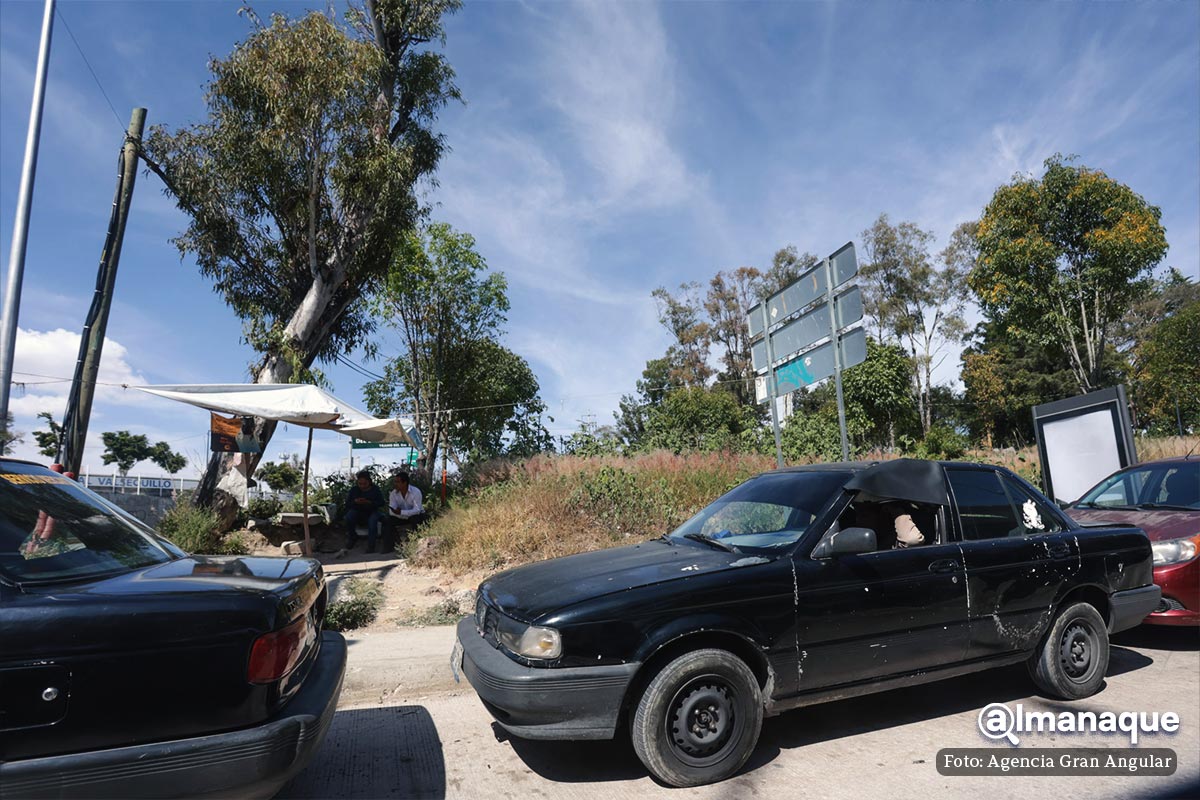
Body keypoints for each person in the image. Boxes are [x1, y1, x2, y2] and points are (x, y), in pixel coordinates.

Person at [344, 471, 385, 552]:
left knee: (372, 521)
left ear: (369, 482)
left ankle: (371, 546)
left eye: (365, 484)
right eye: (360, 484)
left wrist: (370, 502)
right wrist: (355, 501)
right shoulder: (354, 490)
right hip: (358, 511)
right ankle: (352, 537)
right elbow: (347, 503)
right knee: (349, 516)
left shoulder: (375, 489)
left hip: (372, 511)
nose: (362, 486)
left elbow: (381, 503)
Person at [387, 471, 427, 542]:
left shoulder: (416, 492)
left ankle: (417, 541)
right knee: (388, 521)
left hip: (416, 516)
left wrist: (401, 512)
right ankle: (393, 544)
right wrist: (401, 514)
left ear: (405, 483)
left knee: (416, 518)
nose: (395, 484)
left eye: (397, 482)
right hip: (401, 517)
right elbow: (391, 511)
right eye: (395, 482)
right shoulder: (393, 493)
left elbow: (417, 510)